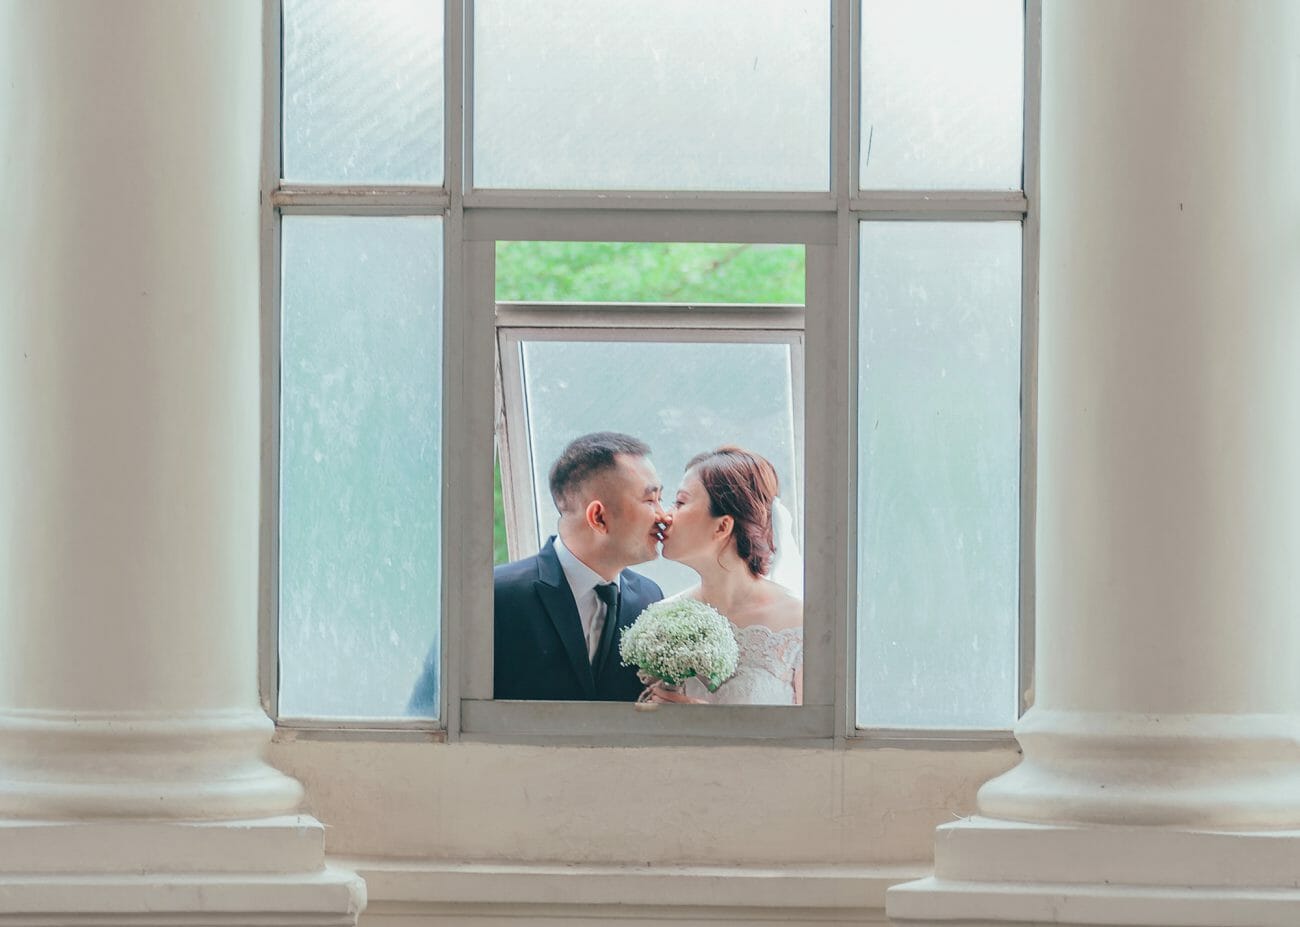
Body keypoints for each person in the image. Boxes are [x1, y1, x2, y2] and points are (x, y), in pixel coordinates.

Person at [407, 431, 668, 709]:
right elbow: (429, 711)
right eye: (650, 500)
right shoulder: (491, 597)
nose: (664, 515)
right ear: (598, 517)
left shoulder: (649, 599)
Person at [655, 446, 803, 705]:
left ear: (722, 525)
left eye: (680, 502)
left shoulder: (800, 623)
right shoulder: (662, 616)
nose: (666, 516)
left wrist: (709, 723)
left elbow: (817, 739)